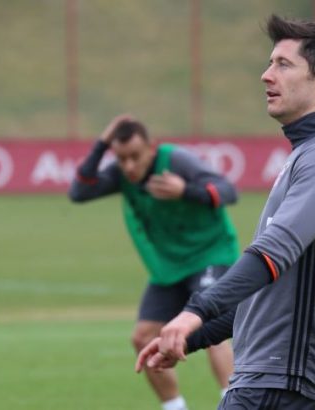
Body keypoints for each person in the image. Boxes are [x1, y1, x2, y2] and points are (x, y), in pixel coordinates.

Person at [136, 14, 315, 410]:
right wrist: (193, 338)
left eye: (283, 64)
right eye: (270, 62)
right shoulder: (309, 154)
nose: (266, 75)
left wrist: (195, 311)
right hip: (269, 378)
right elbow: (267, 295)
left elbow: (270, 255)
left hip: (281, 381)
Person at [69, 115, 239, 410]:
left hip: (210, 254)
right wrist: (102, 144)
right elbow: (79, 191)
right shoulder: (123, 174)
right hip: (169, 268)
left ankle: (236, 403)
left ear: (151, 147)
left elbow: (228, 191)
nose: (129, 166)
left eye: (135, 156)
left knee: (212, 329)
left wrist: (186, 191)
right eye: (121, 158)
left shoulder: (176, 161)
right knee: (143, 337)